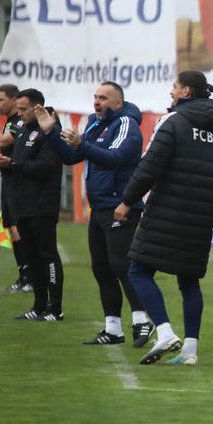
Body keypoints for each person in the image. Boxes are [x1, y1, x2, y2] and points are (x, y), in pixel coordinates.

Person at [118, 71, 213, 365]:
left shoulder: (174, 122)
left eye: (175, 86)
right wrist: (208, 212)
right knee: (189, 281)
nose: (172, 91)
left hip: (166, 212)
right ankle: (190, 352)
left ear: (186, 92)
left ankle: (165, 332)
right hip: (199, 219)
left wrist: (128, 200)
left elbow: (150, 166)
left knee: (138, 271)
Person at [37, 82, 152, 346]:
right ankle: (113, 329)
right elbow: (70, 156)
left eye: (103, 98)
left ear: (118, 103)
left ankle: (142, 321)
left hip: (120, 206)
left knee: (122, 266)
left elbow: (115, 158)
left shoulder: (126, 124)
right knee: (102, 269)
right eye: (95, 97)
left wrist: (82, 145)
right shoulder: (94, 124)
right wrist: (50, 132)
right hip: (99, 207)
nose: (97, 101)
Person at [0, 89, 66, 322]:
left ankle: (55, 309)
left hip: (42, 203)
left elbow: (45, 167)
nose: (19, 113)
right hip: (22, 202)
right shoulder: (22, 129)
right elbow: (20, 164)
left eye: (23, 109)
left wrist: (12, 164)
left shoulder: (50, 131)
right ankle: (38, 305)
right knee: (31, 256)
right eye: (19, 109)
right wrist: (6, 164)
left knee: (47, 255)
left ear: (37, 108)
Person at [0, 84, 30, 293]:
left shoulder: (17, 122)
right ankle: (23, 275)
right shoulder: (8, 122)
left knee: (18, 227)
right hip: (8, 178)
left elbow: (1, 140)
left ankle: (29, 276)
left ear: (14, 100)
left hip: (17, 180)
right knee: (12, 227)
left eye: (0, 100)